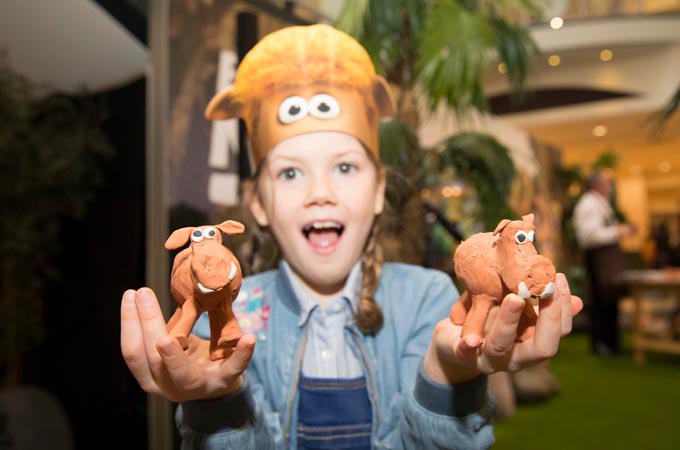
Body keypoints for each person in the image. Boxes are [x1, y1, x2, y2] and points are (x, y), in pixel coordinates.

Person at [120, 25, 582, 449]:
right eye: (290, 173)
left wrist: (449, 371)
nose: (320, 193)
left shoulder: (428, 300)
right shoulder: (223, 314)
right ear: (258, 203)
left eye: (344, 167)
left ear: (378, 189)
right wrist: (217, 403)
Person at [573, 171, 634, 356]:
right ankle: (601, 343)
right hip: (598, 260)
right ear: (597, 185)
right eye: (607, 183)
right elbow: (590, 236)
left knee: (610, 300)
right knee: (600, 300)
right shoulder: (588, 204)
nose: (610, 187)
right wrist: (618, 231)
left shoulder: (601, 203)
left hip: (607, 259)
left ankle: (611, 342)